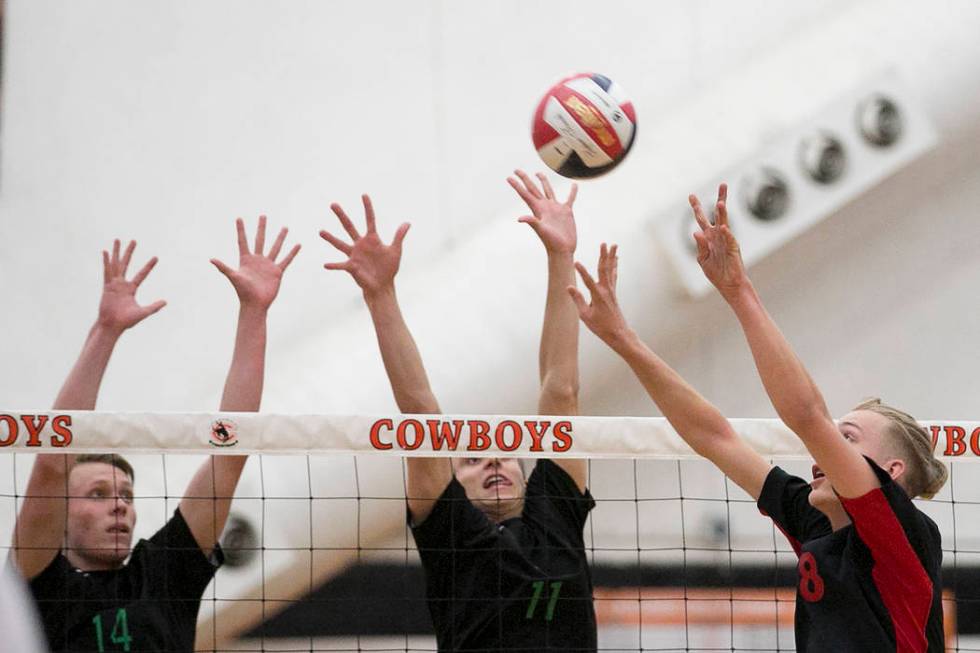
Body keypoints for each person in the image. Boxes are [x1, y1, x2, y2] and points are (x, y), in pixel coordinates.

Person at [569, 184, 946, 652]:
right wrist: (624, 339)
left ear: (892, 473)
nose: (822, 452)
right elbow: (714, 436)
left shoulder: (904, 533)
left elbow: (807, 416)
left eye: (846, 438)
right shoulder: (814, 522)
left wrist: (738, 291)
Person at [319, 171, 596, 651]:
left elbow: (561, 389)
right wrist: (381, 296)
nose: (493, 460)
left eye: (505, 455)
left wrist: (561, 255)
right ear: (454, 484)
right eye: (471, 459)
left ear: (527, 475)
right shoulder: (451, 534)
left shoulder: (554, 516)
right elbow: (421, 412)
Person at [11, 219, 300, 652]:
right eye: (98, 495)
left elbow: (232, 450)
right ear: (62, 516)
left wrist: (254, 312)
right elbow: (54, 457)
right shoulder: (37, 581)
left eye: (125, 494)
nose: (119, 507)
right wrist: (105, 333)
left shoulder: (164, 575)